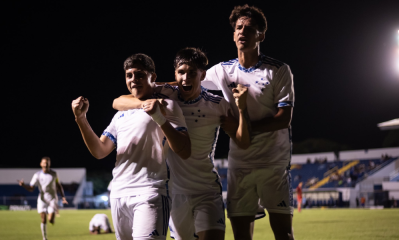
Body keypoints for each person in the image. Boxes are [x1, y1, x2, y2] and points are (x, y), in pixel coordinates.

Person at [113, 47, 251, 240]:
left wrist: (242, 109)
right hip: (174, 194)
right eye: (181, 72)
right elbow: (118, 101)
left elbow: (243, 141)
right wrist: (147, 104)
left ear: (202, 75)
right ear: (175, 74)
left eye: (192, 73)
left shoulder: (217, 104)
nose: (186, 78)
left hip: (206, 190)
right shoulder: (166, 95)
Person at [71, 53, 190, 240]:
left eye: (140, 74)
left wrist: (159, 117)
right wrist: (81, 119)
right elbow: (100, 151)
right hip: (119, 193)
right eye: (129, 75)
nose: (134, 79)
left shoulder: (167, 106)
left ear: (153, 77)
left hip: (151, 191)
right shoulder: (121, 114)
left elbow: (184, 149)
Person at [201, 4, 295, 240]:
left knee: (283, 233)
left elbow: (284, 119)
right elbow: (187, 82)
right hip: (239, 164)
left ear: (261, 35)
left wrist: (245, 129)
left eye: (249, 28)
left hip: (273, 164)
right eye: (238, 27)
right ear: (233, 35)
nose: (242, 31)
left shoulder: (279, 70)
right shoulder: (221, 71)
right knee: (242, 236)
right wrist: (150, 88)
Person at [18, 156, 68, 240]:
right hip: (42, 199)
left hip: (52, 199)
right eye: (44, 162)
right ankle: (44, 238)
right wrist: (24, 186)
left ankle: (52, 216)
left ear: (50, 164)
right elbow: (31, 188)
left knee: (51, 220)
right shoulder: (37, 175)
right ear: (41, 164)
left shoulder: (54, 174)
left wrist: (63, 197)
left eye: (47, 162)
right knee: (43, 219)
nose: (46, 164)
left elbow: (58, 185)